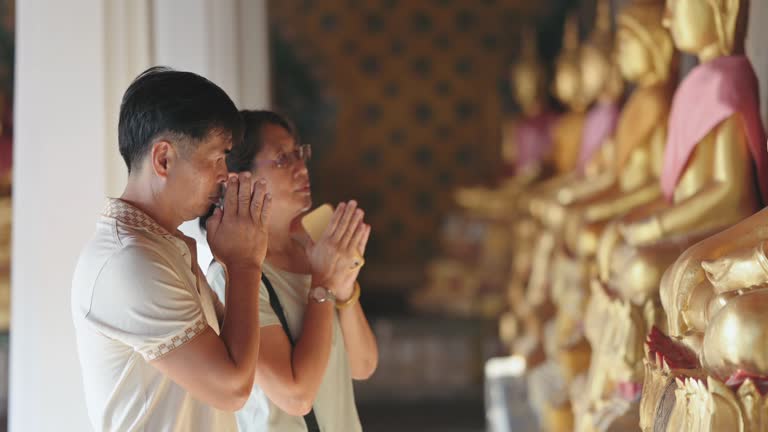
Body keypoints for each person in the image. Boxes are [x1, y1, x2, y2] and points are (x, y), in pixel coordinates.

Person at [71, 66, 271, 431]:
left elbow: (237, 351)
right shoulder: (129, 261)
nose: (226, 174)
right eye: (216, 158)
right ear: (163, 159)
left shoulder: (164, 243)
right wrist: (244, 265)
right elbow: (233, 389)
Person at [205, 110, 378, 431]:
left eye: (300, 154)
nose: (302, 168)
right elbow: (296, 395)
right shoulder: (233, 276)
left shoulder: (315, 243)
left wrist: (345, 291)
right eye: (283, 159)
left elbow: (363, 364)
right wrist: (323, 281)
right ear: (239, 178)